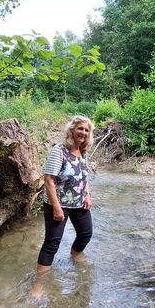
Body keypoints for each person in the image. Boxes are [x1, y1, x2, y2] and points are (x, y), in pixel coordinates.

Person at [36, 115, 95, 274]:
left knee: (85, 234)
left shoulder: (83, 151)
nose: (83, 132)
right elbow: (48, 179)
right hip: (58, 204)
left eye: (86, 130)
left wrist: (87, 195)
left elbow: (84, 175)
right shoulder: (59, 150)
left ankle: (75, 253)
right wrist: (56, 207)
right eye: (80, 128)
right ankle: (39, 283)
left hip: (79, 202)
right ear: (72, 130)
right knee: (52, 243)